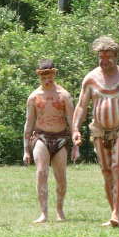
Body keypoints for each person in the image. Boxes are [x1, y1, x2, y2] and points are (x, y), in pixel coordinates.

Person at [72, 36, 119, 227]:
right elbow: (81, 106)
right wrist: (75, 129)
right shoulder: (90, 79)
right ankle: (112, 210)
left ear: (116, 56)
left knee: (118, 168)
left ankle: (117, 213)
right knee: (106, 171)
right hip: (99, 129)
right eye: (101, 56)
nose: (104, 61)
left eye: (108, 57)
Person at [23, 59, 79, 223]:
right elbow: (29, 122)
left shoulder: (64, 95)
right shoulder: (34, 97)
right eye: (43, 77)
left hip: (60, 138)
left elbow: (72, 122)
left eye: (50, 76)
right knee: (41, 173)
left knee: (60, 176)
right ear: (39, 76)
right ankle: (43, 213)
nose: (47, 80)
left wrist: (76, 146)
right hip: (41, 137)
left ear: (54, 74)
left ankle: (60, 210)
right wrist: (25, 149)